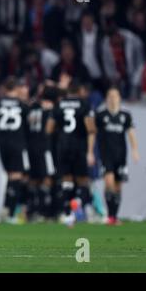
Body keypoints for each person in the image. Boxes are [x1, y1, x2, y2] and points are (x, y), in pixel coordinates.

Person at [46, 82, 96, 227]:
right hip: (79, 147)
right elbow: (91, 129)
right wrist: (90, 151)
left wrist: (60, 132)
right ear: (80, 90)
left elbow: (49, 129)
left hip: (62, 147)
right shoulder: (84, 105)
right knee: (83, 180)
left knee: (66, 181)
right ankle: (78, 203)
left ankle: (68, 214)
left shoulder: (59, 105)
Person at [95, 86, 140, 225]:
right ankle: (110, 215)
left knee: (118, 186)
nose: (113, 98)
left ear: (119, 98)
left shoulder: (125, 115)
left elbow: (131, 132)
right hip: (105, 154)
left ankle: (114, 216)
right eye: (110, 96)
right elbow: (93, 133)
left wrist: (135, 150)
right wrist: (90, 151)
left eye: (115, 96)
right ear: (107, 98)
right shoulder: (100, 115)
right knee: (109, 183)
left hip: (120, 155)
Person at [0, 79, 30, 224]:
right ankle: (9, 212)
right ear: (16, 88)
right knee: (16, 177)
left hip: (2, 145)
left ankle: (7, 209)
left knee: (10, 176)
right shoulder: (22, 105)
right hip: (17, 143)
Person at [27, 86, 56, 220]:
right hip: (45, 147)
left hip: (31, 147)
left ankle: (32, 209)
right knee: (47, 178)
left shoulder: (31, 108)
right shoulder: (50, 109)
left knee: (34, 179)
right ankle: (45, 210)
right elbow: (49, 129)